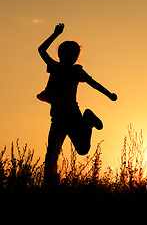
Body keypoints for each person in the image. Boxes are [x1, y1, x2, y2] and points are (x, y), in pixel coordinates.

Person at [38, 23, 117, 187]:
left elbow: (94, 84)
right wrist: (55, 34)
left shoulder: (77, 71)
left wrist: (109, 94)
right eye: (69, 52)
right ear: (60, 54)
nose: (72, 56)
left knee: (82, 150)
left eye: (75, 53)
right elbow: (41, 50)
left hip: (73, 115)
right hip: (57, 116)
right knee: (52, 152)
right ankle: (49, 185)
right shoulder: (54, 66)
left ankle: (88, 119)